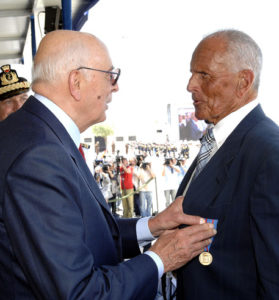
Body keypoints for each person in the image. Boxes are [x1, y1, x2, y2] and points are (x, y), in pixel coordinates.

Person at [0, 30, 216, 300]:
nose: (115, 87)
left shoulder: (38, 135)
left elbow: (83, 235)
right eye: (110, 75)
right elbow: (79, 293)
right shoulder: (39, 155)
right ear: (76, 82)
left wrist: (154, 225)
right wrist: (160, 258)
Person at [176, 29, 279, 299]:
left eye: (204, 75)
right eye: (192, 74)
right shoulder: (220, 142)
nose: (190, 85)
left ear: (243, 82)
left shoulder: (269, 153)